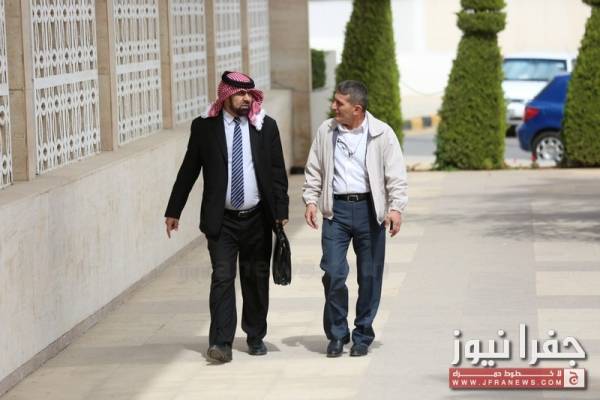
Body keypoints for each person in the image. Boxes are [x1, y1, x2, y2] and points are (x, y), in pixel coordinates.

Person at [165, 71, 289, 363]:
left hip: (258, 219)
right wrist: (174, 209)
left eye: (250, 94)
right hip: (222, 221)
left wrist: (281, 212)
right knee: (222, 278)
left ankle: (255, 335)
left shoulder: (265, 126)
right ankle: (221, 343)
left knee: (255, 278)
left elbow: (277, 173)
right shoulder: (204, 127)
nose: (247, 99)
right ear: (226, 95)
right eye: (240, 94)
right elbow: (189, 169)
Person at [303, 80, 408, 357]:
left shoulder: (382, 133)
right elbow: (314, 169)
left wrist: (396, 208)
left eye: (339, 103)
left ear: (357, 109)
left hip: (369, 211)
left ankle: (363, 334)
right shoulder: (326, 131)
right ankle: (337, 334)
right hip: (335, 212)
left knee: (370, 276)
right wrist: (311, 200)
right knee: (333, 273)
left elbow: (396, 174)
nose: (333, 107)